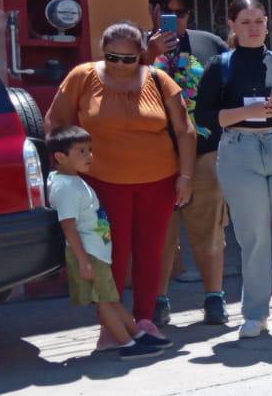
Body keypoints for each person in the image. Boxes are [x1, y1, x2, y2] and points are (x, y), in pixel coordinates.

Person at [46, 22, 195, 342]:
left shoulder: (159, 79)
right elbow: (55, 122)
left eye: (129, 59)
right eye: (113, 58)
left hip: (159, 181)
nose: (120, 65)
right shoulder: (82, 77)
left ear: (142, 54)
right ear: (103, 53)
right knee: (110, 253)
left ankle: (144, 320)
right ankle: (110, 324)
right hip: (102, 183)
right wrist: (66, 165)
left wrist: (185, 176)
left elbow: (185, 130)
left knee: (150, 252)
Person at [193, 0, 272, 338]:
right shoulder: (221, 64)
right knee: (254, 238)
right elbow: (204, 117)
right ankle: (255, 313)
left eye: (259, 20)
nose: (254, 27)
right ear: (232, 25)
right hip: (239, 149)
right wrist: (250, 110)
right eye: (246, 21)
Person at [47, 126, 173, 361]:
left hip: (98, 252)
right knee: (105, 301)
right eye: (81, 152)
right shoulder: (65, 187)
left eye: (90, 150)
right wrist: (83, 260)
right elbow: (68, 226)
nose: (89, 156)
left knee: (111, 298)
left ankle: (136, 334)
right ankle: (126, 343)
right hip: (89, 254)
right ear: (60, 157)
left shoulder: (73, 181)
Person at [146, 0, 230, 327]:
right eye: (166, 12)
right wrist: (147, 57)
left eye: (180, 13)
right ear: (152, 10)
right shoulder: (132, 46)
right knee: (160, 234)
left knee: (209, 229)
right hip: (154, 157)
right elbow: (115, 90)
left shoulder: (210, 44)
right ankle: (158, 301)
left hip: (205, 151)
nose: (173, 20)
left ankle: (214, 298)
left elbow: (230, 90)